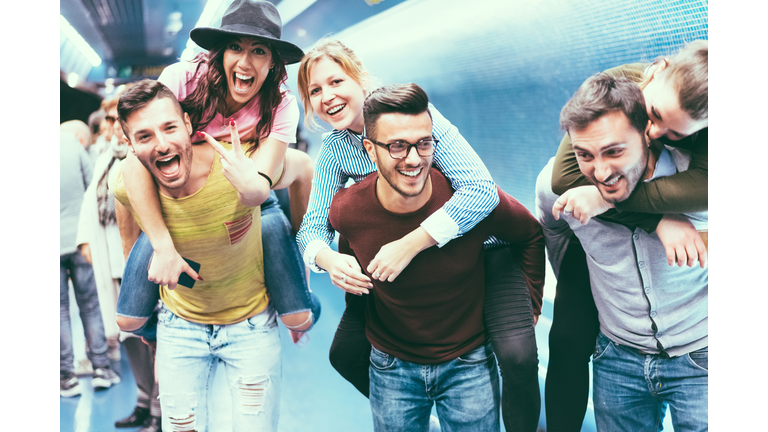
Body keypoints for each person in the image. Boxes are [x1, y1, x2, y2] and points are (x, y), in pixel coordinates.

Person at [295, 38, 543, 430]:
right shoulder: (335, 149)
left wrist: (410, 243)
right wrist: (328, 259)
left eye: (335, 81)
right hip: (400, 276)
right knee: (345, 353)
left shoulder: (415, 118)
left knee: (516, 355)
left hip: (479, 254)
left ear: (360, 78)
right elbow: (312, 228)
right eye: (315, 91)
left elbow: (480, 190)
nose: (327, 96)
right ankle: (414, 409)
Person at [113, 0, 319, 343]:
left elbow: (259, 187)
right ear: (220, 53)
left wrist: (243, 173)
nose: (244, 61)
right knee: (129, 321)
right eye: (235, 47)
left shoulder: (279, 104)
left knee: (301, 318)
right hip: (178, 207)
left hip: (247, 206)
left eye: (259, 50)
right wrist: (162, 246)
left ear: (273, 62)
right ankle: (167, 324)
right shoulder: (182, 80)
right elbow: (135, 163)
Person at [542, 40, 708, 431]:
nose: (655, 132)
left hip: (701, 356)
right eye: (652, 116)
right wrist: (654, 220)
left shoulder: (701, 185)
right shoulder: (567, 189)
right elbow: (554, 219)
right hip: (617, 357)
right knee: (564, 342)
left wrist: (613, 204)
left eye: (674, 132)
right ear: (655, 72)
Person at [112, 79, 283, 431]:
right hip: (180, 327)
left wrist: (307, 259)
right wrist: (147, 261)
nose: (161, 145)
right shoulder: (128, 182)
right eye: (144, 137)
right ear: (130, 146)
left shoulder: (238, 165)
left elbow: (303, 169)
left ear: (188, 126)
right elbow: (124, 205)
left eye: (169, 128)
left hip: (250, 325)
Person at [60, 126, 120, 397]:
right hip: (79, 241)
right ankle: (101, 369)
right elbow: (93, 189)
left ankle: (66, 378)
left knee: (58, 311)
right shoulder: (73, 147)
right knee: (90, 304)